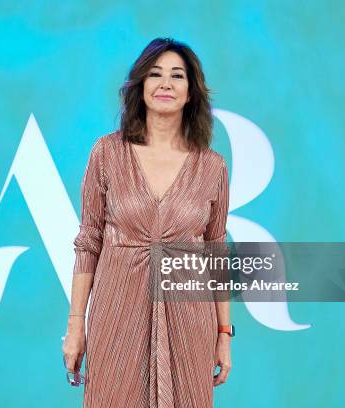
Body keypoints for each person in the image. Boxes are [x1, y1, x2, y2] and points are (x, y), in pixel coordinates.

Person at [62, 37, 232, 408]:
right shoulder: (107, 153)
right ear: (140, 87)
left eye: (177, 76)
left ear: (191, 92)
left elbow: (217, 250)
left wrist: (223, 333)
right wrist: (76, 325)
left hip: (189, 317)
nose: (166, 84)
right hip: (117, 313)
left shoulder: (212, 166)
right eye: (155, 75)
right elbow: (88, 241)